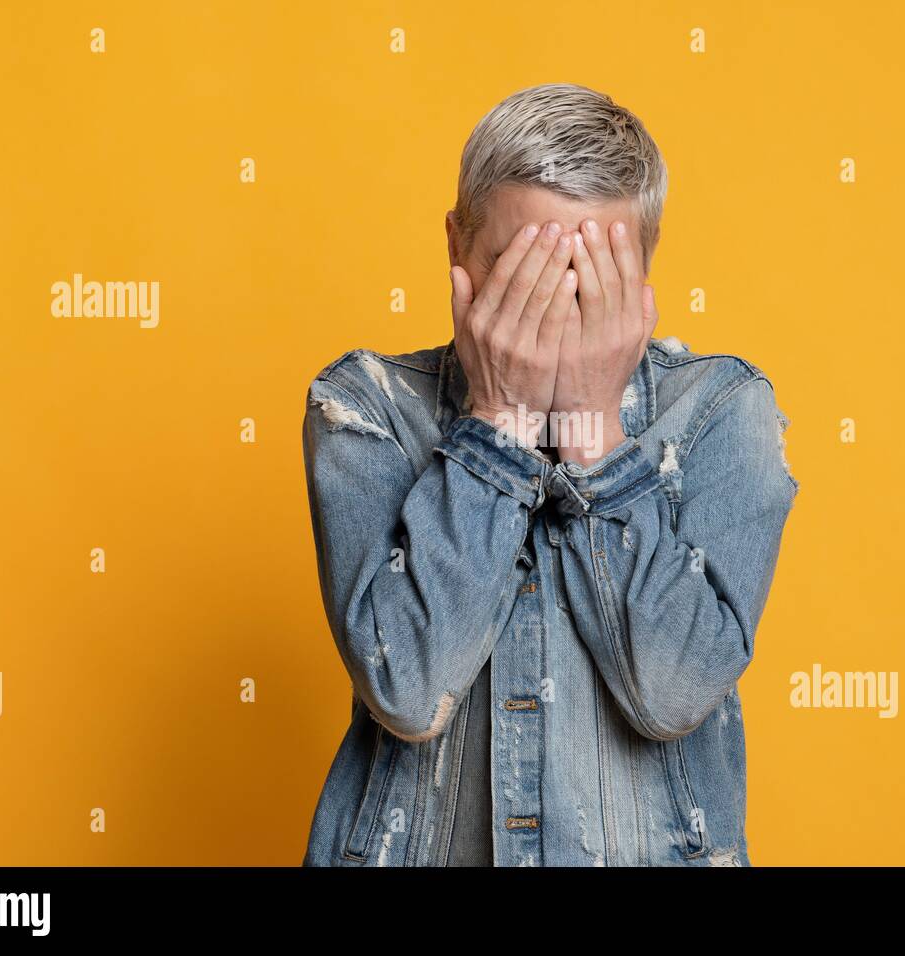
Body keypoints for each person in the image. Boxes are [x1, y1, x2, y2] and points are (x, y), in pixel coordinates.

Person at [300, 83, 798, 867]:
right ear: (456, 247)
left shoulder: (721, 411)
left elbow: (671, 695)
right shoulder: (367, 407)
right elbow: (407, 687)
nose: (550, 313)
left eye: (582, 277)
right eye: (518, 272)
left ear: (643, 270)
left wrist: (593, 429)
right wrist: (500, 417)